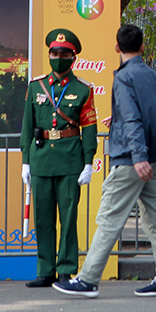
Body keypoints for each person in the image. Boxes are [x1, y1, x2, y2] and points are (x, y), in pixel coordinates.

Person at [54, 24, 156, 298]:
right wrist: (147, 153)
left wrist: (138, 156)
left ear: (116, 48)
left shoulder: (123, 78)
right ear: (143, 47)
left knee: (110, 217)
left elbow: (132, 118)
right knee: (154, 219)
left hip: (131, 160)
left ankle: (87, 279)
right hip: (151, 158)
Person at [20, 28, 99, 288]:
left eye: (64, 53)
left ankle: (66, 270)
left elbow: (89, 128)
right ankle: (45, 270)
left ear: (73, 57)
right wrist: (25, 161)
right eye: (54, 52)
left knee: (68, 218)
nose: (58, 57)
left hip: (69, 161)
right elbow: (27, 125)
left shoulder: (83, 89)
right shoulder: (35, 87)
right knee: (42, 218)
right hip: (41, 159)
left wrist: (88, 161)